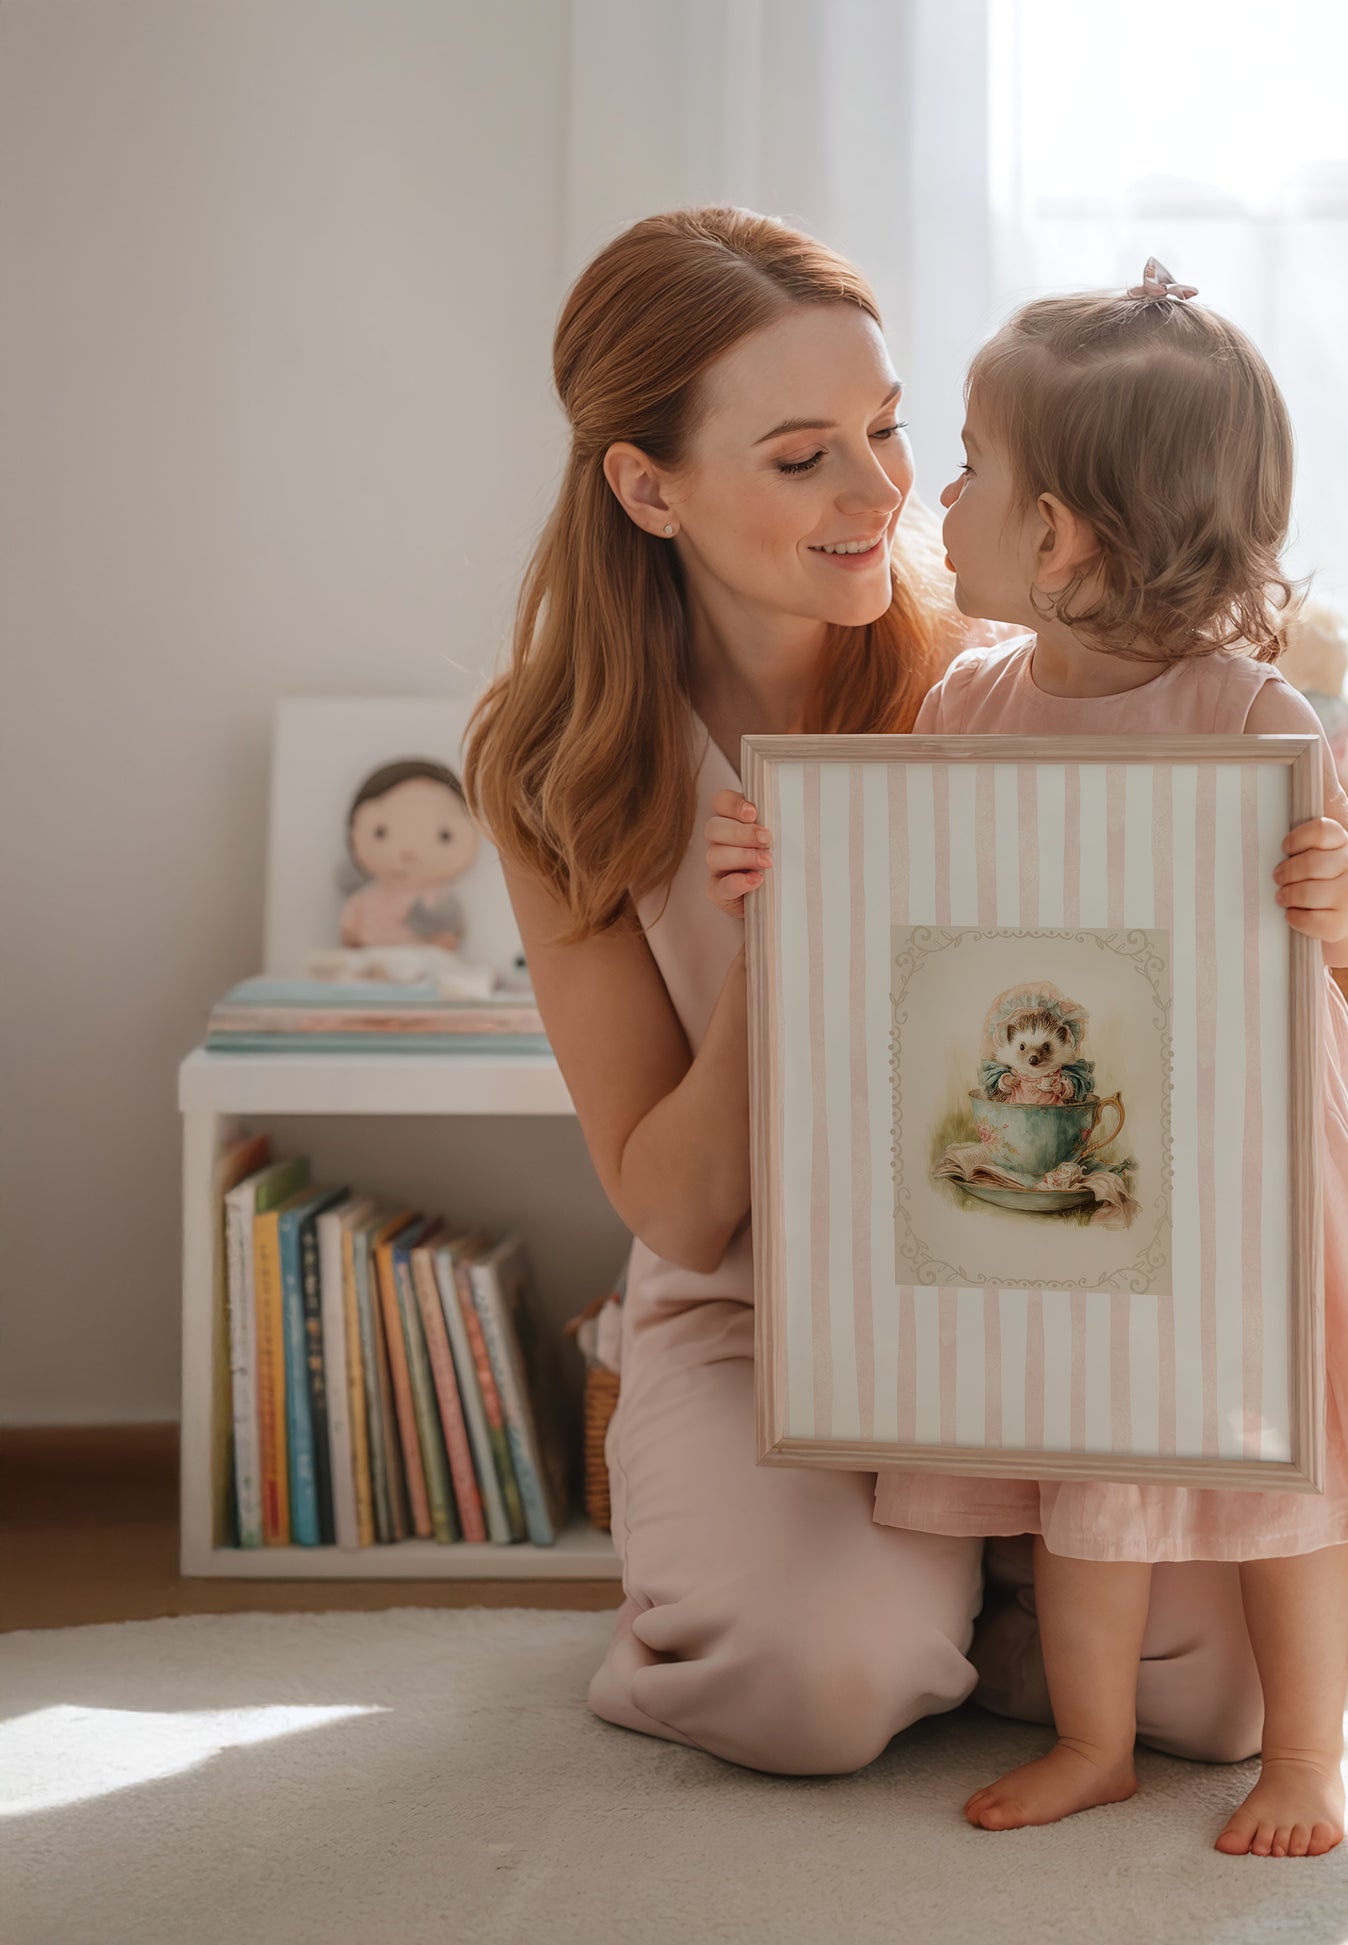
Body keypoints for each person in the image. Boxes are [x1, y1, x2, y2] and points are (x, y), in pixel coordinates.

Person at [463, 210, 1273, 1780]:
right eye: (800, 456)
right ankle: (872, 1612)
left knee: (1219, 1697)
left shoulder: (1002, 671)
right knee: (812, 1688)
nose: (882, 492)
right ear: (647, 487)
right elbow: (678, 1207)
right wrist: (795, 935)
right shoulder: (558, 761)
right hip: (758, 1307)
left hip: (1036, 1289)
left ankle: (949, 1610)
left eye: (889, 429)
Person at [709, 263, 1348, 1855]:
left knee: (1285, 1484)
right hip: (1069, 1178)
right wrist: (793, 870)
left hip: (1248, 1166)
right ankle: (1092, 1740)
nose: (938, 496)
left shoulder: (1248, 713)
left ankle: (1307, 1760)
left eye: (971, 467)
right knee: (1081, 1461)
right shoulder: (967, 701)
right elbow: (912, 902)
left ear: (1057, 534)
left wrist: (1342, 893)